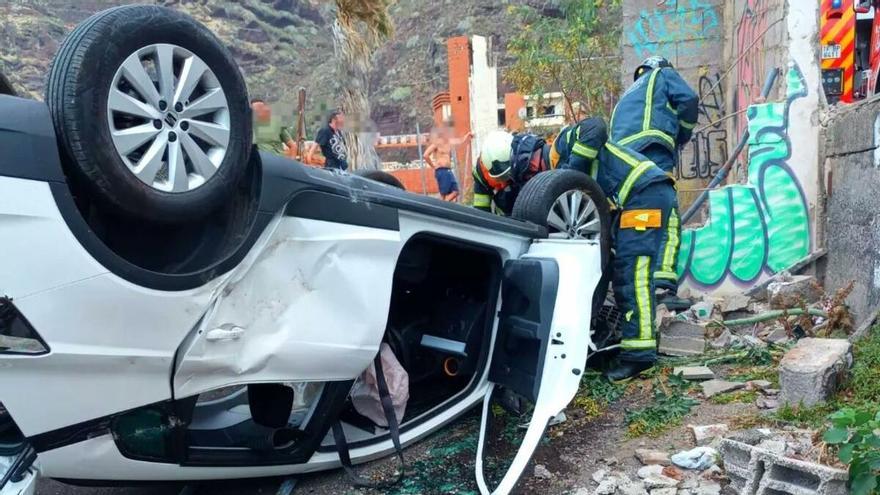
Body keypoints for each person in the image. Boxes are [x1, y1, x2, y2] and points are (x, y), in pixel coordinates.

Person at [555, 117, 677, 381]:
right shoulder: (577, 160)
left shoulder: (571, 145)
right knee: (618, 270)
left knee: (633, 273)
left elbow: (595, 126)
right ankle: (627, 342)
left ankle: (639, 355)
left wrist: (572, 170)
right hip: (636, 198)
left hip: (645, 195)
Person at [610, 56, 697, 298]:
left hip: (624, 162)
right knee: (666, 213)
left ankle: (640, 285)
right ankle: (663, 284)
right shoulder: (662, 74)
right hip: (653, 149)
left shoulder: (625, 97)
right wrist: (683, 134)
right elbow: (689, 101)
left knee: (638, 219)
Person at [471, 130, 548, 214]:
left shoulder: (524, 159)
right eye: (499, 179)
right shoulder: (481, 172)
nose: (503, 184)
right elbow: (481, 208)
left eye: (506, 176)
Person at [423, 123, 472, 201]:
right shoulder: (437, 144)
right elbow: (425, 155)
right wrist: (433, 166)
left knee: (455, 191)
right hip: (441, 171)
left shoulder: (449, 142)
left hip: (448, 170)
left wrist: (467, 135)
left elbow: (460, 141)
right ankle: (441, 208)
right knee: (444, 194)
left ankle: (443, 206)